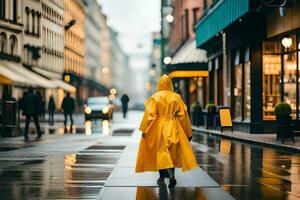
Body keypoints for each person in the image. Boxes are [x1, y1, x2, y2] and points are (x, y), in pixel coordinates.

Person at [135, 74, 198, 188]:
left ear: (159, 84)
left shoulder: (155, 97)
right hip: (173, 126)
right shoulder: (176, 97)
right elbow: (184, 116)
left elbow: (149, 115)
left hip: (159, 128)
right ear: (170, 84)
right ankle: (171, 176)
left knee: (162, 153)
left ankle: (163, 176)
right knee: (171, 153)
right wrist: (188, 133)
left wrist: (144, 129)